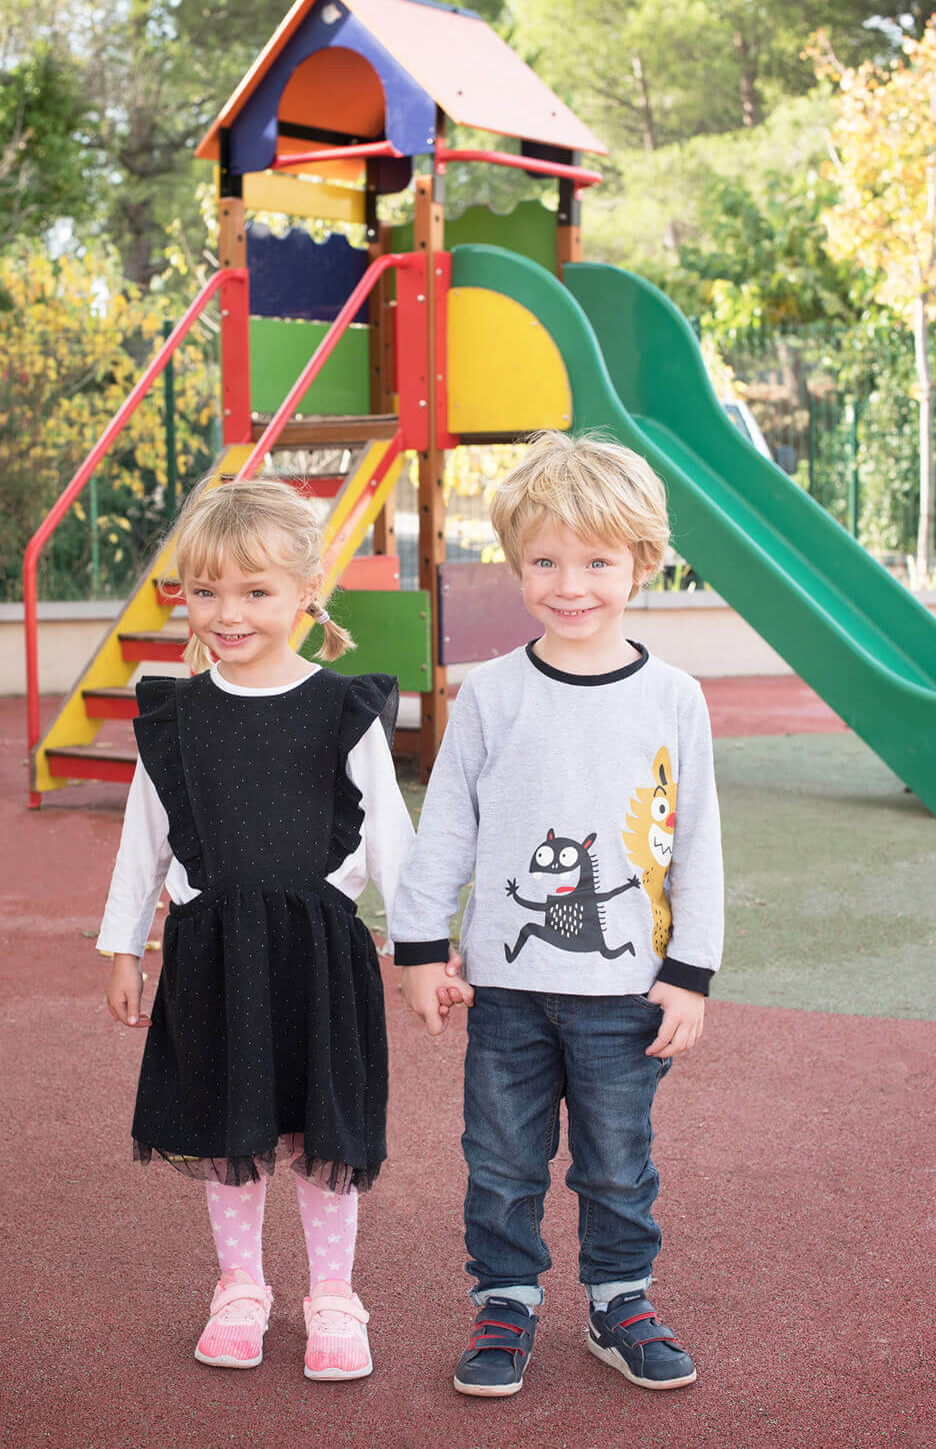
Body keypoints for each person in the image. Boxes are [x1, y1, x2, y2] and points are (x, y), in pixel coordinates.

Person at [391, 431, 723, 1397]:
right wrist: (421, 950)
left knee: (618, 1165)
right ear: (514, 563)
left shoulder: (674, 698)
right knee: (500, 1163)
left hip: (627, 993)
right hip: (504, 994)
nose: (569, 584)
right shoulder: (491, 695)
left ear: (641, 563)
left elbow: (695, 839)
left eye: (597, 561)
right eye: (544, 560)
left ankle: (621, 1301)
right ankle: (505, 1302)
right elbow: (445, 828)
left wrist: (690, 973)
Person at [98, 475, 415, 1382]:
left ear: (309, 589)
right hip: (212, 956)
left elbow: (396, 843)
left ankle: (334, 1297)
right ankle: (240, 1285)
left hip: (321, 955)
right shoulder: (179, 718)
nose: (226, 613)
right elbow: (143, 844)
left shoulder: (344, 710)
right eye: (205, 592)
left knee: (323, 1133)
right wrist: (126, 947)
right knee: (230, 1128)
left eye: (254, 591)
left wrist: (426, 948)